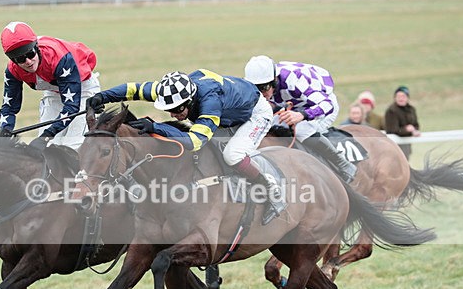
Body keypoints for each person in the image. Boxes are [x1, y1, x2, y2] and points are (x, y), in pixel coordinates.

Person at [86, 69, 286, 224]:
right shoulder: (171, 90)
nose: (173, 114)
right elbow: (133, 89)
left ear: (189, 100)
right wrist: (102, 97)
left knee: (232, 155)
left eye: (177, 109)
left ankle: (270, 189)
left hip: (255, 115)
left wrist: (155, 126)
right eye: (169, 109)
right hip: (230, 112)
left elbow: (194, 141)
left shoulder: (210, 102)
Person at [243, 55, 356, 184]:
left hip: (320, 105)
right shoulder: (261, 86)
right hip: (293, 105)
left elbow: (327, 105)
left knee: (302, 129)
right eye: (256, 88)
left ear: (274, 80)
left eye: (264, 88)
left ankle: (343, 163)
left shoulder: (295, 80)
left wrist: (302, 115)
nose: (261, 94)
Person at [0, 21, 100, 149]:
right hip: (54, 92)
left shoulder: (59, 58)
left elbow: (72, 107)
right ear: (13, 60)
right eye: (20, 59)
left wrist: (46, 136)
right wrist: (5, 131)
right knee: (47, 149)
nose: (28, 61)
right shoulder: (12, 71)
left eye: (30, 54)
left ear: (36, 47)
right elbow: (8, 108)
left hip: (82, 89)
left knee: (73, 146)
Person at [384, 85, 421, 160]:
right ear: (395, 98)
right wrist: (407, 130)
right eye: (398, 96)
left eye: (403, 96)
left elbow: (416, 125)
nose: (401, 99)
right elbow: (392, 130)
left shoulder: (411, 109)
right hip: (394, 144)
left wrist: (414, 131)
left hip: (406, 143)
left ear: (407, 98)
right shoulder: (391, 111)